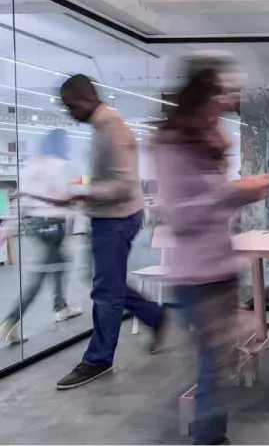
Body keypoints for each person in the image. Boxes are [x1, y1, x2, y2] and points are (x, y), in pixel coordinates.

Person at [153, 53, 269, 446]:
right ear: (203, 94)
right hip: (197, 277)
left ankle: (210, 434)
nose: (229, 102)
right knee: (213, 369)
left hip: (218, 271)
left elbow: (208, 207)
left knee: (219, 366)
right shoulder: (172, 144)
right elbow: (181, 216)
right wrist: (235, 193)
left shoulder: (207, 138)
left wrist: (232, 194)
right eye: (224, 93)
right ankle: (208, 438)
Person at [56, 75, 166, 390]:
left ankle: (98, 359)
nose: (69, 112)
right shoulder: (102, 127)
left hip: (116, 218)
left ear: (87, 99)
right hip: (110, 217)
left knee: (106, 292)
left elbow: (121, 185)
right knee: (110, 284)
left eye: (71, 105)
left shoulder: (111, 129)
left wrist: (80, 192)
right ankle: (157, 317)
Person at [0, 129, 83, 344]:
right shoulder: (61, 166)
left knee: (61, 262)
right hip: (53, 226)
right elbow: (72, 195)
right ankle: (10, 321)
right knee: (40, 275)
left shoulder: (31, 166)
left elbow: (20, 200)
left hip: (34, 226)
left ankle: (61, 307)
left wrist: (7, 228)